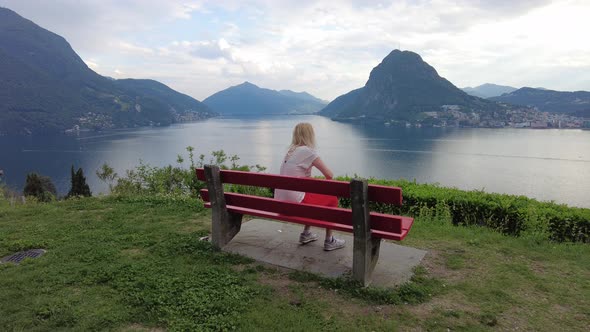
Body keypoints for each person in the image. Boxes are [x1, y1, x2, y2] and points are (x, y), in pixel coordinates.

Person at [274, 123, 345, 251]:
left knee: (310, 195)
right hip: (294, 201)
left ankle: (306, 234)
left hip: (280, 201)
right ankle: (330, 240)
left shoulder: (290, 151)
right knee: (332, 198)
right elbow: (329, 175)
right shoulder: (308, 151)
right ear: (310, 135)